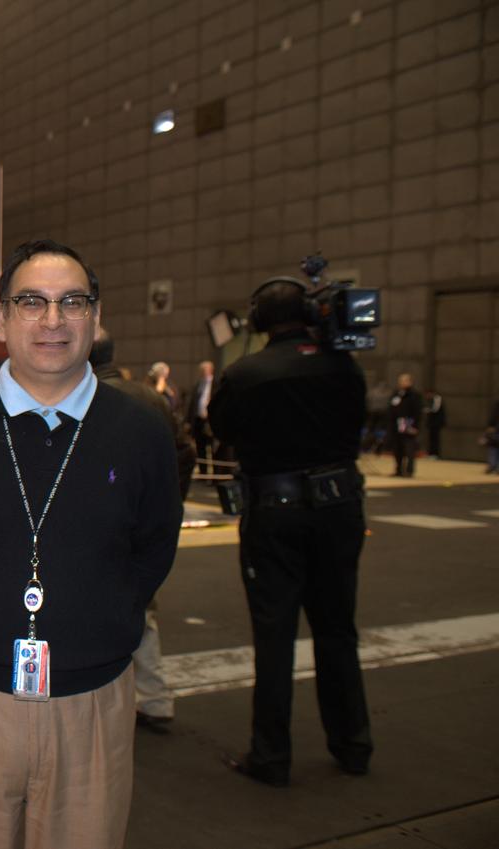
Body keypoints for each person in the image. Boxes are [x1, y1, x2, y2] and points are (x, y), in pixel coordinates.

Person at [0, 240, 182, 849]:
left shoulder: (140, 430)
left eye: (72, 302)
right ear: (1, 318)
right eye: (31, 302)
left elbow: (155, 543)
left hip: (92, 701)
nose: (53, 320)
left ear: (95, 316)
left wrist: (100, 614)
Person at [208, 277, 372, 788]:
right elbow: (359, 422)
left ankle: (272, 755)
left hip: (275, 513)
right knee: (338, 630)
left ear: (258, 320)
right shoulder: (344, 366)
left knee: (275, 635)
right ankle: (353, 746)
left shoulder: (246, 373)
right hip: (340, 506)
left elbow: (222, 430)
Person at [90, 330, 189, 731]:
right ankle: (155, 697)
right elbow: (184, 452)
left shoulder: (87, 401)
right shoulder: (151, 399)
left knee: (104, 612)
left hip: (104, 526)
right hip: (143, 524)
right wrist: (167, 503)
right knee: (143, 610)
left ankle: (116, 699)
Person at [388, 373, 422, 477]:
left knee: (409, 447)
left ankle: (409, 470)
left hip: (408, 422)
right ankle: (399, 469)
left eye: (405, 380)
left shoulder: (414, 395)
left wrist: (415, 426)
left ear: (410, 382)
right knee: (397, 448)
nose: (402, 383)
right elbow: (391, 408)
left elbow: (417, 412)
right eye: (401, 381)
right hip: (397, 423)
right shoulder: (396, 394)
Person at [187, 360, 216, 477]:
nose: (202, 372)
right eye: (201, 370)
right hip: (199, 420)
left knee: (213, 448)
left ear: (210, 370)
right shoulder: (199, 384)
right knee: (200, 447)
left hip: (211, 421)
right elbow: (192, 403)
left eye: (204, 370)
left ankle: (214, 475)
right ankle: (203, 474)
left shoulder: (216, 383)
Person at [425, 389, 445, 458]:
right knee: (432, 438)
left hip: (436, 423)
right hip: (433, 423)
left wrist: (427, 410)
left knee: (435, 438)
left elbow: (435, 409)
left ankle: (435, 454)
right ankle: (431, 453)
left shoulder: (437, 398)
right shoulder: (433, 399)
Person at [483, 400, 499, 474]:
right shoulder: (497, 404)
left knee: (493, 449)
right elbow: (493, 416)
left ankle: (493, 466)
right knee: (493, 448)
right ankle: (492, 466)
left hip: (495, 429)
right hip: (496, 431)